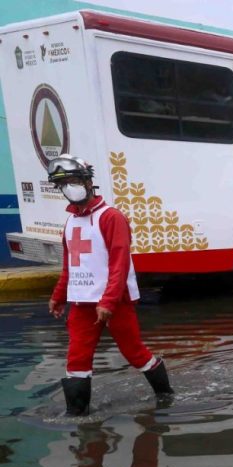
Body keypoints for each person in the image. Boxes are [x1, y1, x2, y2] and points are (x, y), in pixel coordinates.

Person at [47, 154, 173, 416]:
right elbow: (70, 263)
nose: (69, 187)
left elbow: (119, 263)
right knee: (77, 357)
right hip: (82, 302)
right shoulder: (70, 221)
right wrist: (58, 296)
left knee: (134, 352)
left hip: (116, 302)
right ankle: (77, 417)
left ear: (88, 181)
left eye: (73, 180)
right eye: (63, 183)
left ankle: (165, 395)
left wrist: (108, 301)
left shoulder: (111, 217)